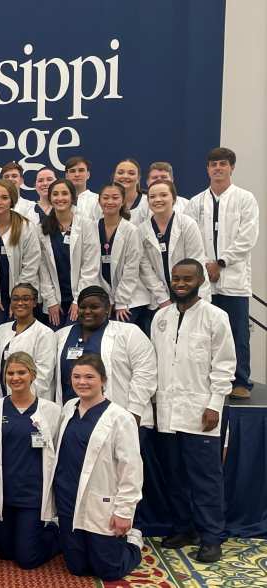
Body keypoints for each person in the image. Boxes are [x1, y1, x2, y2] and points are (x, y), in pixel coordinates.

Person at [151, 259, 236, 562]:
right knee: (174, 477)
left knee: (205, 479)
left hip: (202, 412)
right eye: (176, 278)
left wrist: (215, 404)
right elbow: (155, 365)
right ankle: (183, 528)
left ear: (200, 281)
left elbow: (225, 365)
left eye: (187, 278)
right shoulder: (160, 318)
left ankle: (212, 536)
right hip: (167, 412)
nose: (180, 283)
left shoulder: (216, 316)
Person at [51, 353, 143, 581]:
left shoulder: (120, 418)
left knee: (108, 571)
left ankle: (134, 541)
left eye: (89, 377)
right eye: (77, 376)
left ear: (103, 379)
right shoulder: (69, 408)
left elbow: (131, 469)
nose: (82, 382)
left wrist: (124, 512)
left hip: (101, 503)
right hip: (68, 499)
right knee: (77, 567)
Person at [187, 147, 259, 399]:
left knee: (238, 332)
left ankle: (240, 380)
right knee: (205, 334)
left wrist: (222, 262)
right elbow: (191, 237)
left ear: (232, 168)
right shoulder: (196, 202)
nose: (218, 168)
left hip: (233, 279)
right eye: (213, 164)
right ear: (207, 169)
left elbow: (247, 236)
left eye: (223, 164)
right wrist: (207, 265)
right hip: (205, 279)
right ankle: (208, 381)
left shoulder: (245, 198)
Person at [0, 352, 61, 569]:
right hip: (4, 495)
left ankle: (58, 533)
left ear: (33, 375)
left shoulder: (52, 411)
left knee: (27, 559)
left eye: (21, 372)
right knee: (5, 553)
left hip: (32, 496)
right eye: (10, 373)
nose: (15, 377)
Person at [54, 287, 156, 414]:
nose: (87, 311)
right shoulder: (60, 336)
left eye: (94, 307)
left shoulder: (129, 332)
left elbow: (145, 374)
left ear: (107, 308)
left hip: (122, 416)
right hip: (72, 417)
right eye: (82, 307)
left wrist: (134, 412)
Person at [0, 178, 41, 329]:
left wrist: (18, 299)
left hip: (23, 298)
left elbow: (31, 266)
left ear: (12, 200)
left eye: (4, 198)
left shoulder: (27, 227)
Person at [38, 179, 100, 330]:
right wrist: (51, 301)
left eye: (65, 193)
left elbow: (90, 267)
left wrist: (78, 300)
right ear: (50, 198)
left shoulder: (86, 225)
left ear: (73, 197)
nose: (60, 198)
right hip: (55, 302)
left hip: (81, 298)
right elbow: (42, 269)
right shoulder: (41, 229)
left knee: (75, 340)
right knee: (55, 341)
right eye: (55, 194)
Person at [139, 179, 209, 309]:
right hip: (160, 299)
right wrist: (163, 299)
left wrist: (192, 297)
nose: (157, 199)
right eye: (152, 197)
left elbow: (196, 262)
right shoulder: (142, 230)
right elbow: (146, 269)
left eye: (163, 195)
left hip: (192, 295)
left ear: (174, 199)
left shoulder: (187, 224)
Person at [95, 183, 152, 331]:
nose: (110, 202)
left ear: (122, 201)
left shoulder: (131, 230)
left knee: (119, 333)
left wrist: (121, 302)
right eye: (105, 198)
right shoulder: (91, 228)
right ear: (99, 201)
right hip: (103, 297)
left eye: (115, 198)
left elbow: (131, 269)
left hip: (130, 298)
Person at [0, 283, 56, 401]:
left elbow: (44, 375)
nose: (20, 303)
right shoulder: (0, 330)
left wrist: (19, 399)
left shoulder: (44, 333)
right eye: (15, 299)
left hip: (32, 401)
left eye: (26, 299)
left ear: (35, 302)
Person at [112, 158, 149, 225]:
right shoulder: (103, 202)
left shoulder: (148, 203)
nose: (125, 176)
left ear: (138, 178)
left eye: (131, 173)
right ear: (114, 176)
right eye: (120, 173)